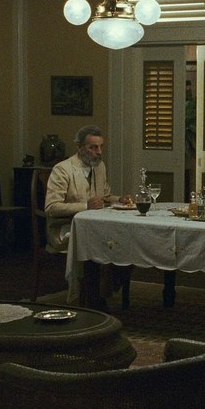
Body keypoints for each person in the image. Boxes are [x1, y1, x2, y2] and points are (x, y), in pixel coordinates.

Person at [45, 125, 132, 308]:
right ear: (79, 148)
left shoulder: (99, 167)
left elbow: (105, 196)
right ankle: (93, 299)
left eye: (101, 147)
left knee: (125, 240)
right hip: (66, 227)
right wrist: (85, 206)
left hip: (95, 226)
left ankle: (108, 288)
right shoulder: (63, 169)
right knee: (97, 243)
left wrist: (120, 199)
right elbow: (51, 207)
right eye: (93, 147)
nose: (99, 152)